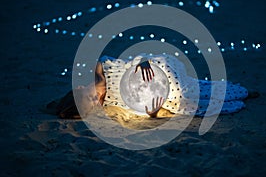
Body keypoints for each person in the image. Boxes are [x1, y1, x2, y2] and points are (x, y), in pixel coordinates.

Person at [55, 54, 255, 119]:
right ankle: (236, 94)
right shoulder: (110, 100)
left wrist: (142, 62)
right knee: (184, 99)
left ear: (81, 87)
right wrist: (151, 113)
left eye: (90, 97)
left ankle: (238, 94)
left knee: (184, 94)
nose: (97, 100)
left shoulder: (103, 67)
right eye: (94, 105)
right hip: (161, 90)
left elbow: (132, 59)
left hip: (159, 68)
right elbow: (136, 105)